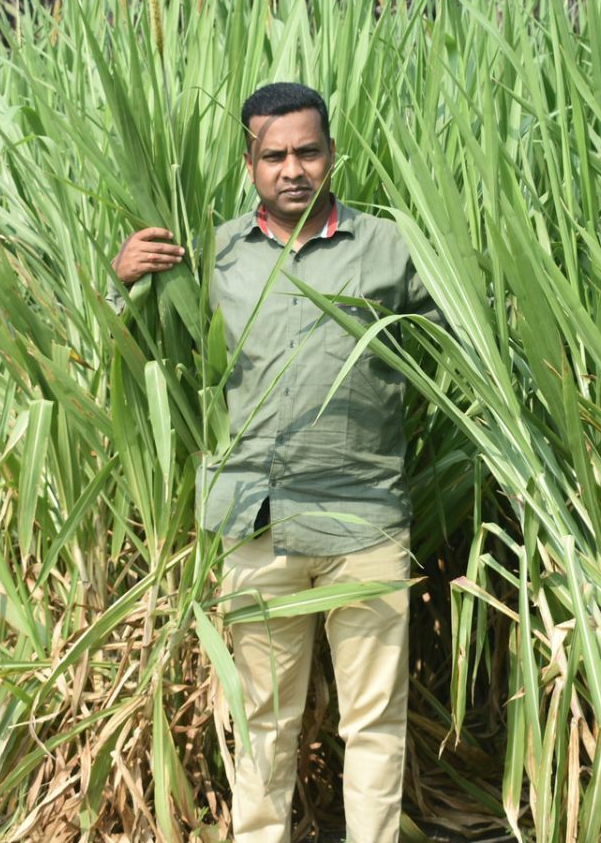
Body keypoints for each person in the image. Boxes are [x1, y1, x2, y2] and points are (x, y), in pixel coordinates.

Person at [111, 82, 437, 843]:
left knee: (374, 724)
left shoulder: (390, 246)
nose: (294, 168)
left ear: (332, 153)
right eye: (275, 155)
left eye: (309, 151)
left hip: (365, 518)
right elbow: (150, 354)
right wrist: (122, 283)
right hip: (257, 522)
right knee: (263, 720)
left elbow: (471, 328)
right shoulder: (213, 252)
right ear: (250, 162)